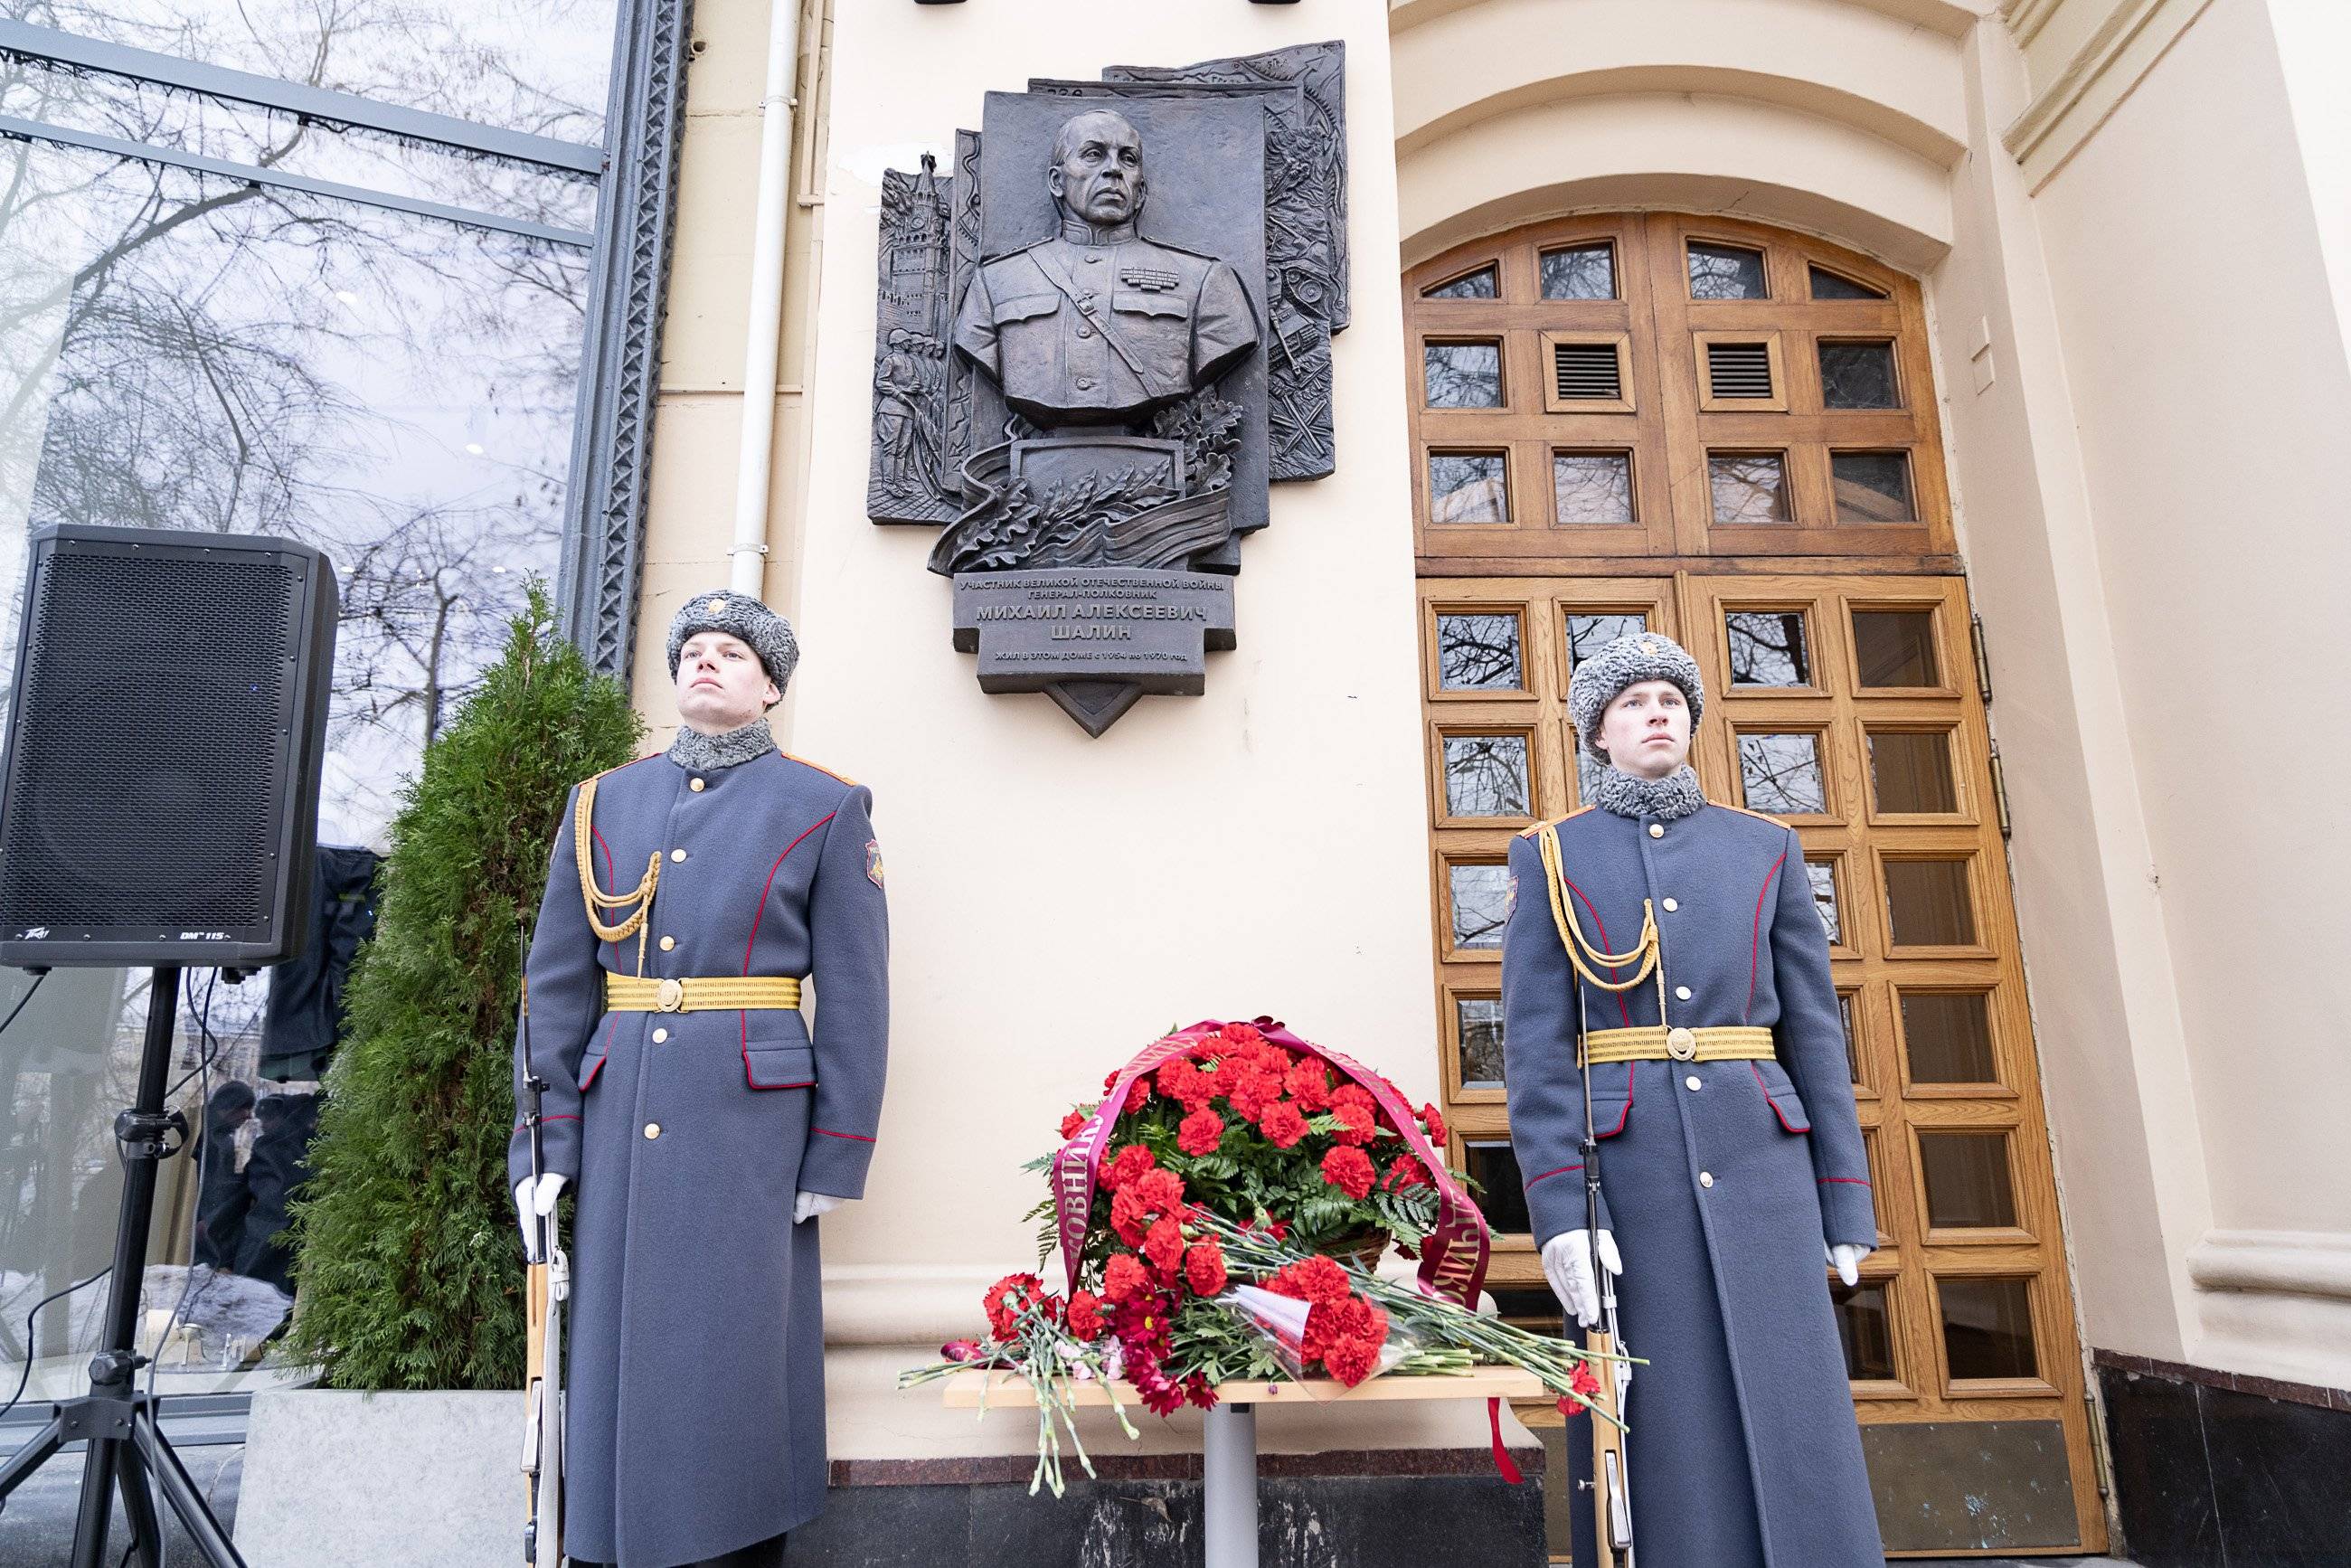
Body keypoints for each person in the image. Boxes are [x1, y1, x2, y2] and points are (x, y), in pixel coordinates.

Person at [511, 592, 889, 1568]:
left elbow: (854, 994)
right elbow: (556, 984)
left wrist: (834, 1154)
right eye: (692, 651)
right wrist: (543, 1144)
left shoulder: (824, 805)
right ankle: (608, 1541)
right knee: (615, 1349)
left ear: (770, 687)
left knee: (730, 1349)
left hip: (749, 1122)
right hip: (617, 1103)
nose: (706, 664)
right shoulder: (604, 801)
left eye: (732, 653)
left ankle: (732, 1542)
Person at [1500, 631, 1883, 1567]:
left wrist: (1844, 1202)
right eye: (1629, 702)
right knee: (1663, 1411)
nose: (1654, 713)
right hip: (1633, 1173)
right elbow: (1536, 1051)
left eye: (1669, 698)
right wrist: (1556, 1212)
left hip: (1762, 1159)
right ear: (1597, 733)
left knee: (1792, 1393)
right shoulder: (1549, 856)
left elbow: (1813, 1038)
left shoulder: (1765, 850)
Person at [952, 108, 1258, 426]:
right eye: (1094, 155)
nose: (1114, 170)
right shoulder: (996, 281)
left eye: (1128, 159)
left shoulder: (1205, 280)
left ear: (1141, 191)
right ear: (1057, 181)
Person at [190, 1080, 255, 1271]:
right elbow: (223, 1190)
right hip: (217, 1231)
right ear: (229, 1107)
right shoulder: (221, 1143)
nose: (248, 1116)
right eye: (245, 1108)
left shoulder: (211, 1133)